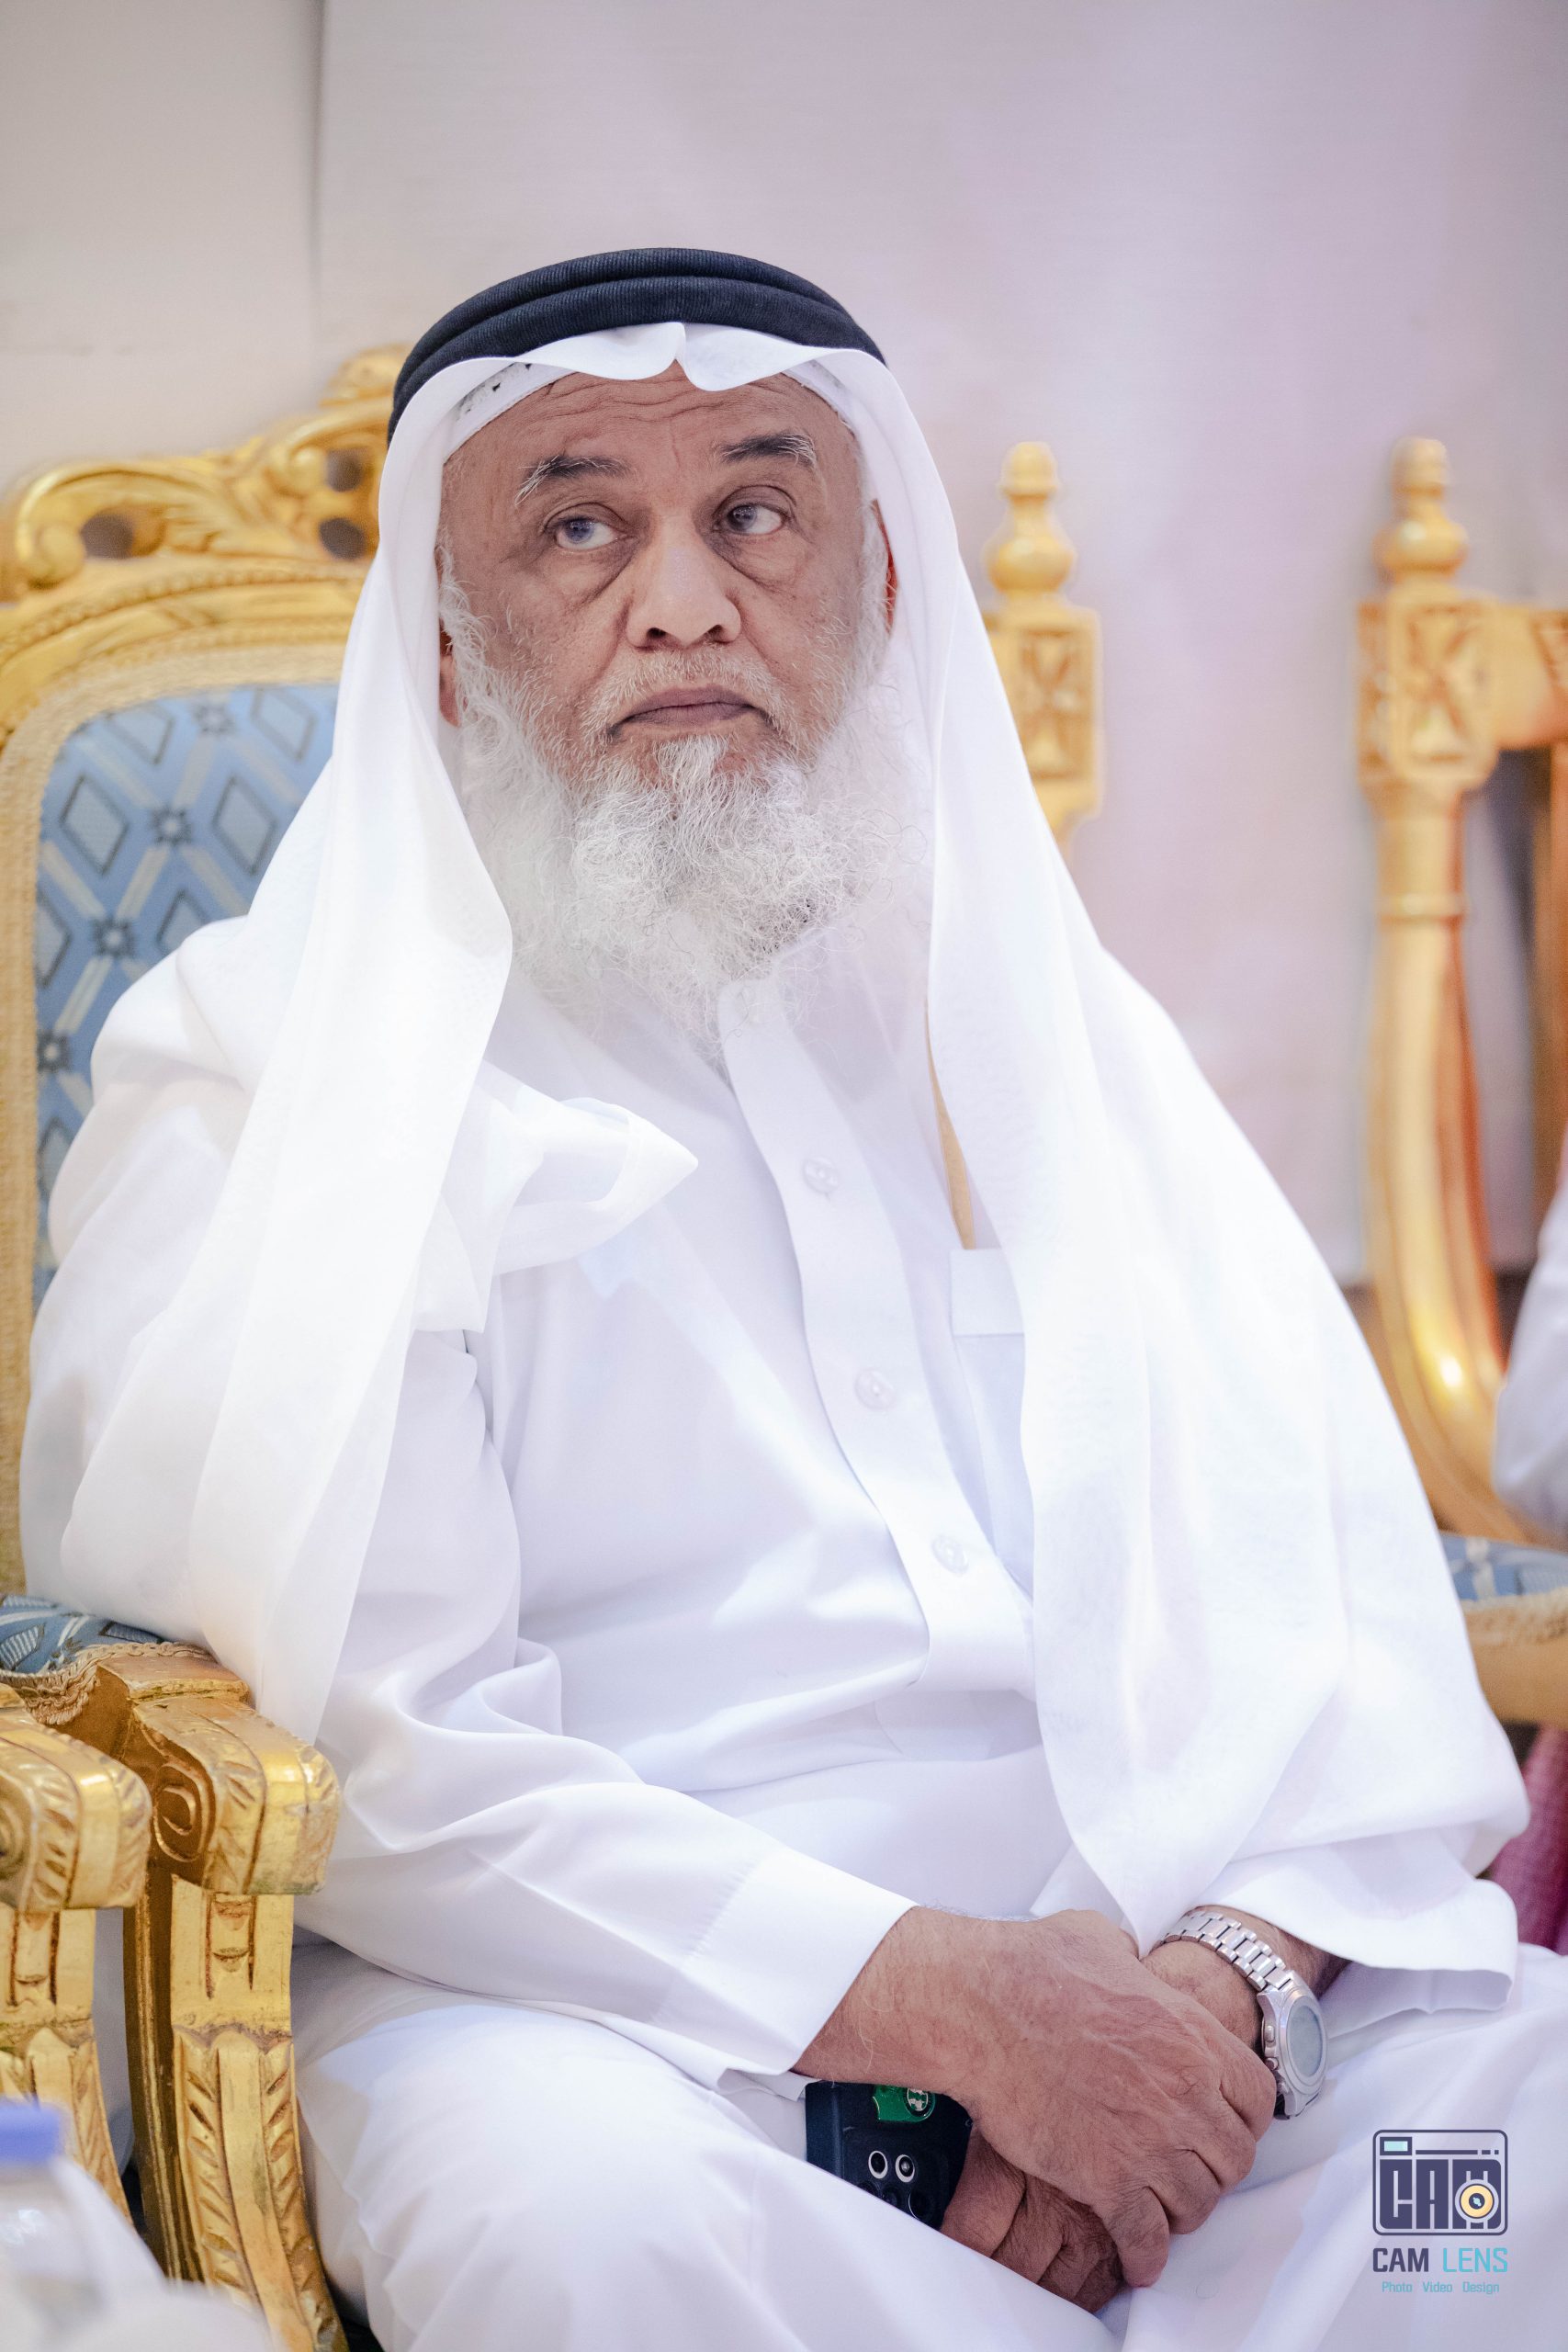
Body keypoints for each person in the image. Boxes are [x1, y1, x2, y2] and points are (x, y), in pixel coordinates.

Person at [21, 251, 1568, 2351]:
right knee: (583, 2234)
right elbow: (381, 1756)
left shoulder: (1041, 1031)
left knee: (1514, 2142)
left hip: (1172, 2022)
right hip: (615, 2027)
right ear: (447, 645)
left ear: (880, 587)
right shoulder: (281, 1079)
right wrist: (944, 2008)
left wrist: (1214, 1995)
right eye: (580, 526)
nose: (681, 598)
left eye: (753, 512)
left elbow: (1325, 1610)